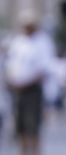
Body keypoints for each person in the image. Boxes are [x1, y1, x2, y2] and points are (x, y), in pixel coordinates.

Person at [2, 11, 54, 155]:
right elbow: (11, 63)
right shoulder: (18, 41)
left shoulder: (42, 42)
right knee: (21, 127)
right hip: (17, 89)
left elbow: (44, 70)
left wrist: (24, 83)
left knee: (33, 127)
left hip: (32, 90)